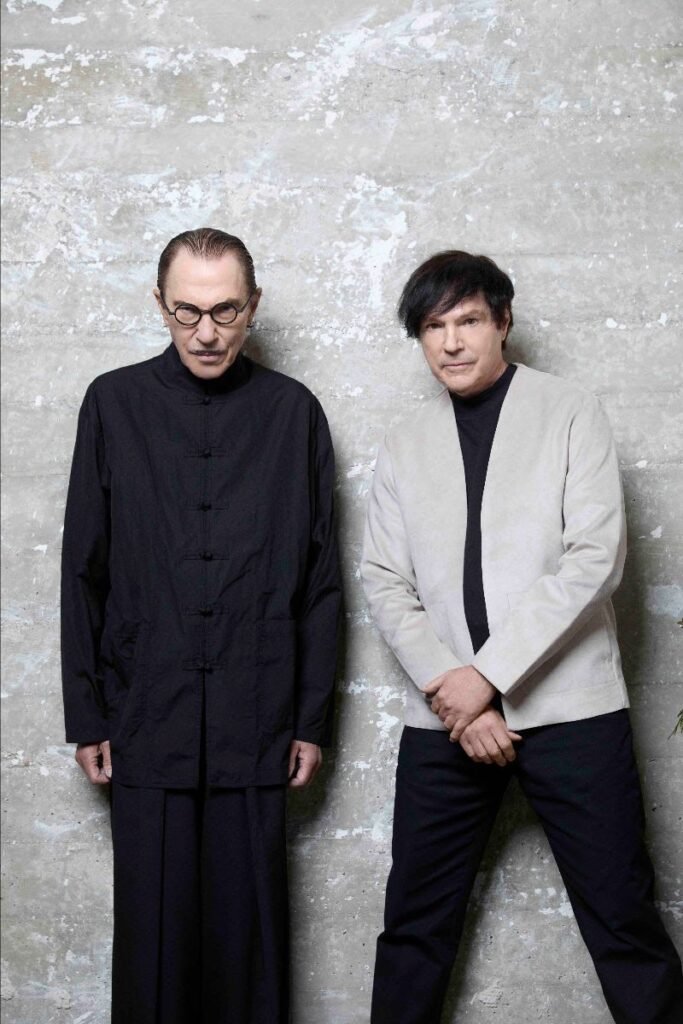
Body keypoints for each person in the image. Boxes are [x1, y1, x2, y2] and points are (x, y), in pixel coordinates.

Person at [361, 250, 683, 1024]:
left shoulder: (568, 409)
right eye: (432, 327)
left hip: (571, 711)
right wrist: (455, 692)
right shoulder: (405, 440)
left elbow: (593, 559)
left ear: (502, 322)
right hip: (443, 719)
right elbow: (382, 578)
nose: (450, 342)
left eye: (468, 320)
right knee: (413, 930)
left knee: (623, 922)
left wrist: (487, 678)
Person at [61, 227, 341, 1024]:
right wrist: (88, 713)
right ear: (160, 304)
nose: (206, 332)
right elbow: (83, 568)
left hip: (259, 716)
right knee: (152, 948)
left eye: (225, 311)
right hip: (145, 714)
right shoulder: (112, 404)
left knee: (250, 950)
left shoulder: (294, 413)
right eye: (186, 312)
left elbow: (322, 581)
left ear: (254, 306)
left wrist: (310, 720)